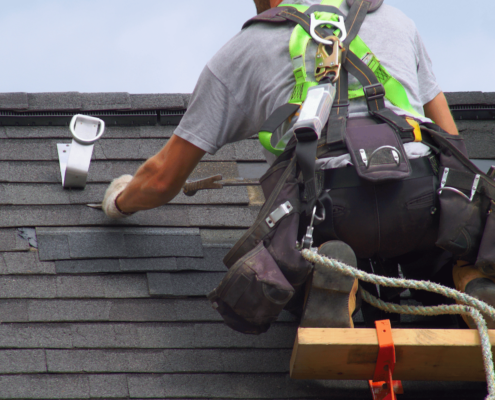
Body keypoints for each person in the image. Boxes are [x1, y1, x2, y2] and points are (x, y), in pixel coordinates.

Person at [101, 0, 494, 329]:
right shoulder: (395, 21)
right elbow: (453, 147)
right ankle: (469, 275)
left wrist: (118, 202)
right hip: (422, 201)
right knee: (452, 217)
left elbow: (162, 178)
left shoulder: (245, 49)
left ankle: (333, 280)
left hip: (329, 211)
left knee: (298, 244)